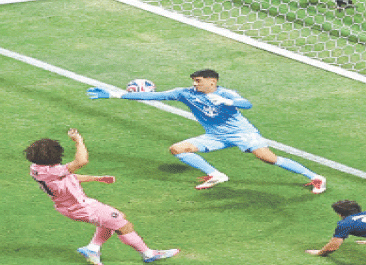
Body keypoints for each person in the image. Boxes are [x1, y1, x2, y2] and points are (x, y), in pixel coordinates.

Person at [86, 69, 327, 193]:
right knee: (177, 149)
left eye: (199, 81)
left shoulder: (226, 93)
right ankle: (216, 175)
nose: (195, 85)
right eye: (193, 81)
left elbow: (247, 104)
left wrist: (228, 103)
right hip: (215, 135)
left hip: (242, 133)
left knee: (267, 158)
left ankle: (316, 177)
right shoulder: (185, 93)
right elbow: (153, 95)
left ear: (212, 82)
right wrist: (113, 93)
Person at [24, 128, 179, 265]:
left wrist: (96, 178)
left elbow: (66, 177)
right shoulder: (52, 171)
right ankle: (148, 254)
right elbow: (81, 161)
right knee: (122, 224)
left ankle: (92, 249)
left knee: (112, 219)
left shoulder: (37, 168)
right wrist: (78, 140)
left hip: (74, 206)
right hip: (81, 208)